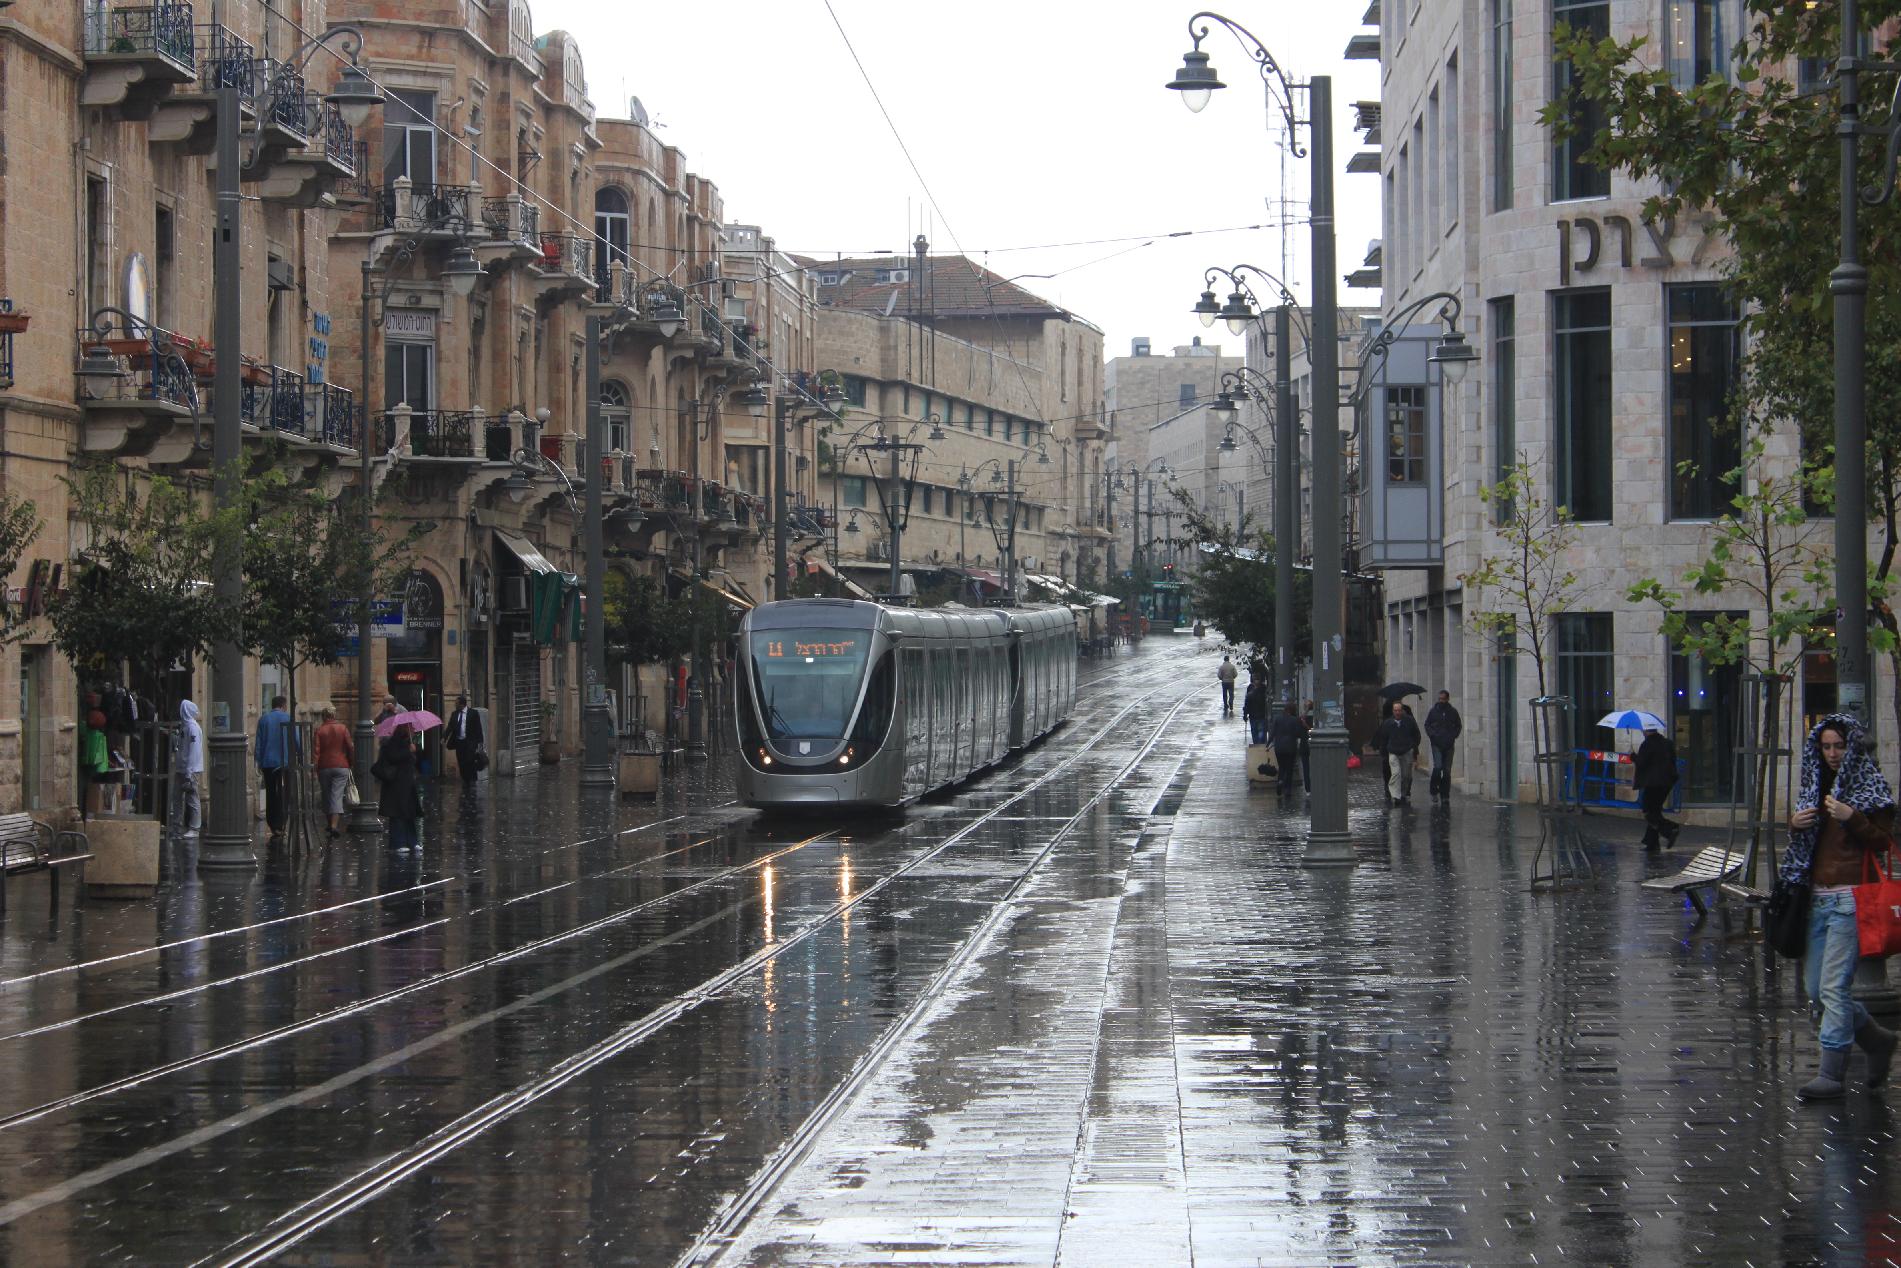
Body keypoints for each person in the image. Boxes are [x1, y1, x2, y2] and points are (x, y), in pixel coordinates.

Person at [1784, 714, 1898, 1101]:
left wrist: (1854, 819)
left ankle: (1831, 1074)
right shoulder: (1814, 784)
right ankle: (1877, 1040)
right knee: (1816, 991)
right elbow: (1804, 845)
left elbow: (1884, 842)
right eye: (1826, 746)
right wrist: (1794, 824)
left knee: (1833, 989)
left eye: (1840, 745)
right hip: (1815, 897)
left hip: (1851, 899)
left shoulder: (1870, 787)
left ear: (1853, 748)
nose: (1833, 753)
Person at [254, 694, 298, 843]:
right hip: (285, 762)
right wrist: (299, 754)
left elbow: (258, 742)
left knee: (271, 793)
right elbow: (296, 740)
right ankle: (281, 822)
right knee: (284, 791)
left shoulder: (263, 719)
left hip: (268, 762)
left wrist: (258, 761)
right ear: (283, 705)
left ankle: (272, 823)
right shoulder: (287, 718)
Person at [375, 723, 425, 851]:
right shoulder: (393, 743)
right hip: (396, 784)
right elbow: (393, 757)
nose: (414, 730)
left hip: (407, 784)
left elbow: (414, 762)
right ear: (404, 728)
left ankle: (412, 841)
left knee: (409, 813)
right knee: (397, 814)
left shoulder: (409, 743)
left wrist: (414, 751)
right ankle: (398, 842)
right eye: (412, 728)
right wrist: (408, 751)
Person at [1633, 722, 1682, 850]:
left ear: (1646, 731)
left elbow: (1641, 763)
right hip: (1667, 782)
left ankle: (1670, 829)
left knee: (1649, 812)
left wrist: (1633, 756)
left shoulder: (1647, 744)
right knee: (1655, 810)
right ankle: (1652, 843)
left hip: (1653, 783)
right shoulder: (1668, 743)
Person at [313, 707, 355, 839]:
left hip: (324, 766)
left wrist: (314, 768)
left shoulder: (319, 730)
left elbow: (316, 752)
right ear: (334, 715)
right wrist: (350, 761)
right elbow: (350, 746)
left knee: (326, 795)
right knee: (336, 795)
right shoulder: (343, 728)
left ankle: (330, 823)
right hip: (341, 765)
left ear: (323, 716)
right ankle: (334, 825)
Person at [1373, 698, 1422, 806]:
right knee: (1395, 774)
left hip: (1406, 751)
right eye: (1395, 710)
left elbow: (1416, 735)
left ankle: (1403, 793)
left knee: (1406, 776)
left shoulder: (1409, 721)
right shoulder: (1388, 723)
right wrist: (1384, 752)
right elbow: (1384, 738)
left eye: (1399, 710)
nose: (1397, 712)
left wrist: (1413, 747)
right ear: (1393, 711)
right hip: (1393, 751)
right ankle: (1396, 795)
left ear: (1402, 710)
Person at [1424, 690, 1463, 803]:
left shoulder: (1453, 712)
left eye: (1443, 699)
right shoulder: (1433, 712)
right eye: (1440, 699)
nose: (1441, 701)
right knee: (1438, 767)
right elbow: (1427, 725)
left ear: (1447, 699)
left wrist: (1453, 735)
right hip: (1436, 743)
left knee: (1446, 771)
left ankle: (1445, 794)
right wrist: (1433, 735)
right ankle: (1433, 791)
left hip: (1449, 744)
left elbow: (1458, 725)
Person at [174, 699, 204, 841]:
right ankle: (177, 825)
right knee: (178, 797)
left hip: (190, 769)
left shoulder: (192, 728)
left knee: (192, 797)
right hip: (182, 768)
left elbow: (194, 751)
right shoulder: (184, 727)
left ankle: (195, 827)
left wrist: (189, 771)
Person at [1266, 703, 1309, 796]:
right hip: (1290, 748)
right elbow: (1299, 734)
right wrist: (1304, 727)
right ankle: (1287, 789)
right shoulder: (1295, 720)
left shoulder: (1277, 718)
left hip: (1279, 748)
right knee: (1289, 768)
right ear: (1293, 710)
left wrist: (1268, 744)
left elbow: (1272, 732)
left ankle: (1280, 781)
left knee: (1282, 766)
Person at [79, 695, 110, 820]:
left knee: (88, 789)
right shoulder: (99, 735)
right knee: (89, 787)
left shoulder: (90, 730)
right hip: (93, 765)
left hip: (89, 764)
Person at [447, 694, 485, 785]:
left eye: (456, 704)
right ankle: (465, 780)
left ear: (462, 704)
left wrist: (480, 742)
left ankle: (472, 780)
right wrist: (444, 737)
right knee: (461, 762)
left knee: (470, 761)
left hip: (470, 743)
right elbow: (450, 727)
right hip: (459, 743)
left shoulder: (473, 713)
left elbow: (478, 728)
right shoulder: (454, 714)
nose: (455, 705)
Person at [1242, 674, 1268, 745]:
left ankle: (1257, 744)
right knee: (1260, 731)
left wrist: (1245, 715)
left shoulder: (1250, 693)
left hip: (1254, 716)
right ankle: (1260, 744)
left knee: (1255, 732)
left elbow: (1246, 705)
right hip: (1261, 715)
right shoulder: (1264, 690)